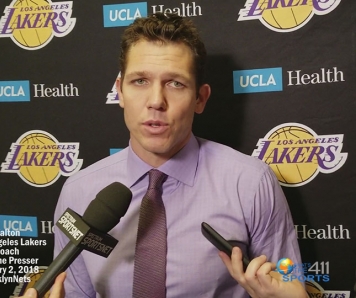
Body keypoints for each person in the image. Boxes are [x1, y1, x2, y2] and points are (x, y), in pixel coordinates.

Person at [23, 13, 308, 298]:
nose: (156, 101)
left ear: (200, 98)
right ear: (119, 91)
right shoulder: (78, 190)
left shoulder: (251, 183)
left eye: (175, 83)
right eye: (140, 81)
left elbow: (289, 282)